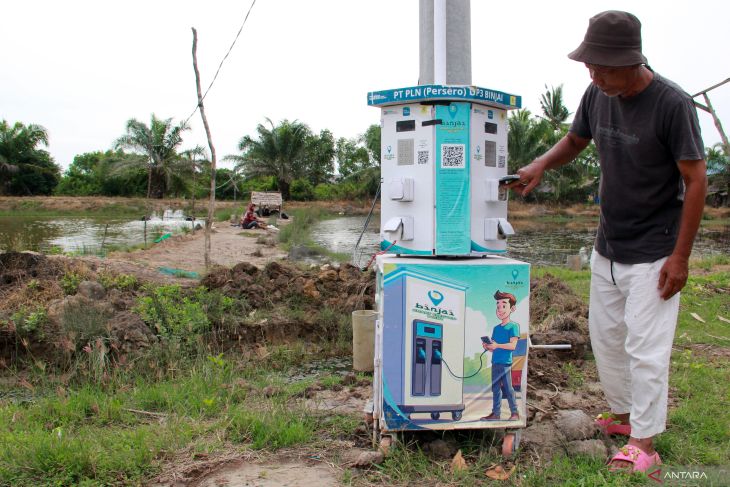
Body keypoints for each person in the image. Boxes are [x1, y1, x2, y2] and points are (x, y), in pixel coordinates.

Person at [510, 11, 707, 472]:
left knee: (646, 347)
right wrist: (540, 163)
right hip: (609, 244)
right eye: (589, 66)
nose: (594, 75)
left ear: (632, 61)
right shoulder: (598, 94)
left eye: (602, 66)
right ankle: (622, 418)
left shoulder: (671, 104)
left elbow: (695, 180)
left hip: (655, 249)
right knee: (608, 338)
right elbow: (576, 140)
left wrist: (680, 258)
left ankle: (646, 444)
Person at [481, 290, 520, 422]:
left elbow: (513, 346)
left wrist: (497, 345)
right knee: (495, 389)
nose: (500, 309)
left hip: (505, 363)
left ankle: (514, 413)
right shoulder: (496, 328)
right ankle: (495, 413)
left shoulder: (513, 326)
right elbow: (494, 347)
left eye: (504, 306)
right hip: (495, 361)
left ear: (512, 308)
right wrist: (488, 347)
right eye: (498, 306)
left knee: (508, 389)